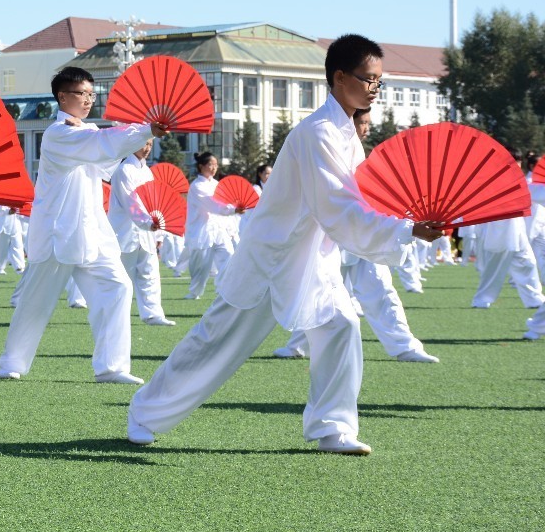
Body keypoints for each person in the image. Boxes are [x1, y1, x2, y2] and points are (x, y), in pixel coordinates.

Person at [127, 35, 444, 455]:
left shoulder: (345, 133)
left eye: (378, 81)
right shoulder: (318, 132)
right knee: (218, 339)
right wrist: (405, 229)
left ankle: (332, 428)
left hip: (314, 258)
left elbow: (359, 198)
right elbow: (336, 205)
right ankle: (145, 412)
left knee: (341, 326)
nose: (375, 89)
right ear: (340, 77)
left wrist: (404, 220)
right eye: (369, 79)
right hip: (274, 255)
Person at [0, 66, 162, 384]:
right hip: (58, 231)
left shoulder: (85, 132)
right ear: (62, 97)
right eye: (81, 93)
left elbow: (104, 161)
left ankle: (112, 367)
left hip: (91, 232)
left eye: (91, 94)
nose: (88, 100)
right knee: (36, 302)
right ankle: (11, 363)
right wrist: (144, 130)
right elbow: (98, 144)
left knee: (118, 287)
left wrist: (136, 135)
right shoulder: (58, 134)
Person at [274, 109, 438, 364]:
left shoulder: (365, 158)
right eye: (362, 123)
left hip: (366, 238)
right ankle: (297, 344)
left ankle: (405, 346)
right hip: (333, 238)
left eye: (367, 123)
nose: (366, 129)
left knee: (381, 291)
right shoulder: (328, 152)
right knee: (319, 293)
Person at [108, 138, 175, 327]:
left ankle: (153, 314)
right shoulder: (123, 170)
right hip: (126, 231)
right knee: (121, 277)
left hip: (147, 231)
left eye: (150, 145)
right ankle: (114, 316)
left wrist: (158, 232)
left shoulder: (147, 172)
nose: (147, 148)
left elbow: (154, 202)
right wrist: (148, 222)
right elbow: (131, 203)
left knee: (150, 273)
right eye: (144, 143)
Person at [183, 152, 240, 300]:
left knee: (229, 257)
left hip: (219, 230)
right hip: (202, 231)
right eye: (210, 164)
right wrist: (232, 210)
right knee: (201, 267)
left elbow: (225, 202)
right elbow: (212, 205)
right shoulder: (197, 186)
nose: (214, 168)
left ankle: (223, 290)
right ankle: (195, 292)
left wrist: (230, 227)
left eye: (216, 165)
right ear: (201, 166)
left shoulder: (216, 184)